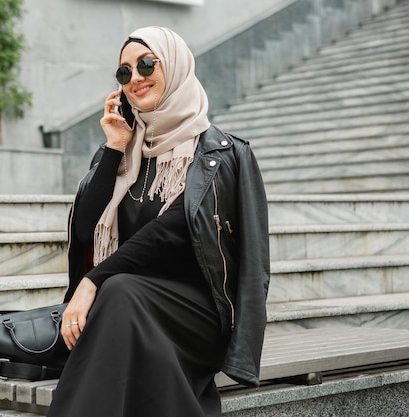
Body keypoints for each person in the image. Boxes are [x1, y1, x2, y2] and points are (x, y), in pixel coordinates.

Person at [47, 26, 270, 417]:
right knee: (123, 294)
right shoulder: (118, 154)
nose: (136, 78)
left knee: (119, 290)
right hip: (129, 303)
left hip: (197, 312)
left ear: (177, 66)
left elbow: (175, 232)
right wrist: (116, 147)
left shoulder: (222, 154)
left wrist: (93, 280)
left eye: (147, 64)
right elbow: (86, 230)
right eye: (124, 72)